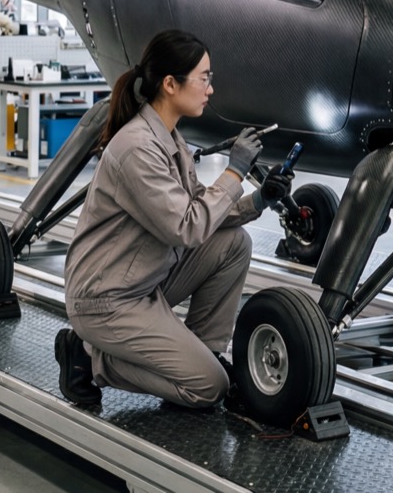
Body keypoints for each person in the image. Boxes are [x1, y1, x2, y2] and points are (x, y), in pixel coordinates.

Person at [56, 29, 291, 411]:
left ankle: (205, 354)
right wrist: (234, 172)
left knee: (233, 244)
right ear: (170, 84)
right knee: (208, 390)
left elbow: (200, 207)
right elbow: (187, 226)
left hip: (143, 280)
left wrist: (258, 200)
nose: (210, 89)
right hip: (107, 298)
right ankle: (89, 357)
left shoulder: (169, 138)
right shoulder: (136, 148)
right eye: (204, 78)